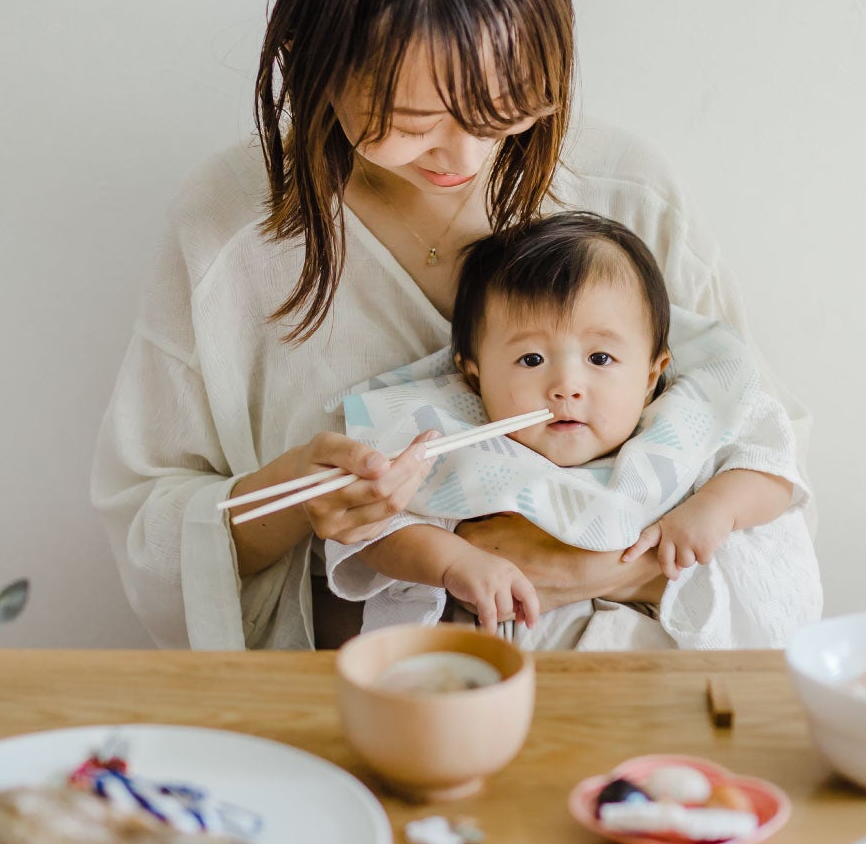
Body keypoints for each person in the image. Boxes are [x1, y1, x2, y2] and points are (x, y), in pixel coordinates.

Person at [90, 0, 819, 650]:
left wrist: (593, 566)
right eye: (410, 122)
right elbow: (152, 529)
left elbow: (765, 465)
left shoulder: (628, 194)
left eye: (505, 106)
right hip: (367, 693)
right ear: (310, 56)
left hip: (640, 698)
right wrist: (300, 498)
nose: (464, 156)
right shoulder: (227, 229)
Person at [323, 211, 810, 649]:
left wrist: (715, 508)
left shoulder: (682, 428)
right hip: (503, 677)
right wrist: (454, 562)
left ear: (650, 375)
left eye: (600, 358)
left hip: (657, 674)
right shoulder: (454, 438)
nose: (566, 386)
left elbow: (771, 472)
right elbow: (378, 530)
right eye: (531, 359)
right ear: (474, 375)